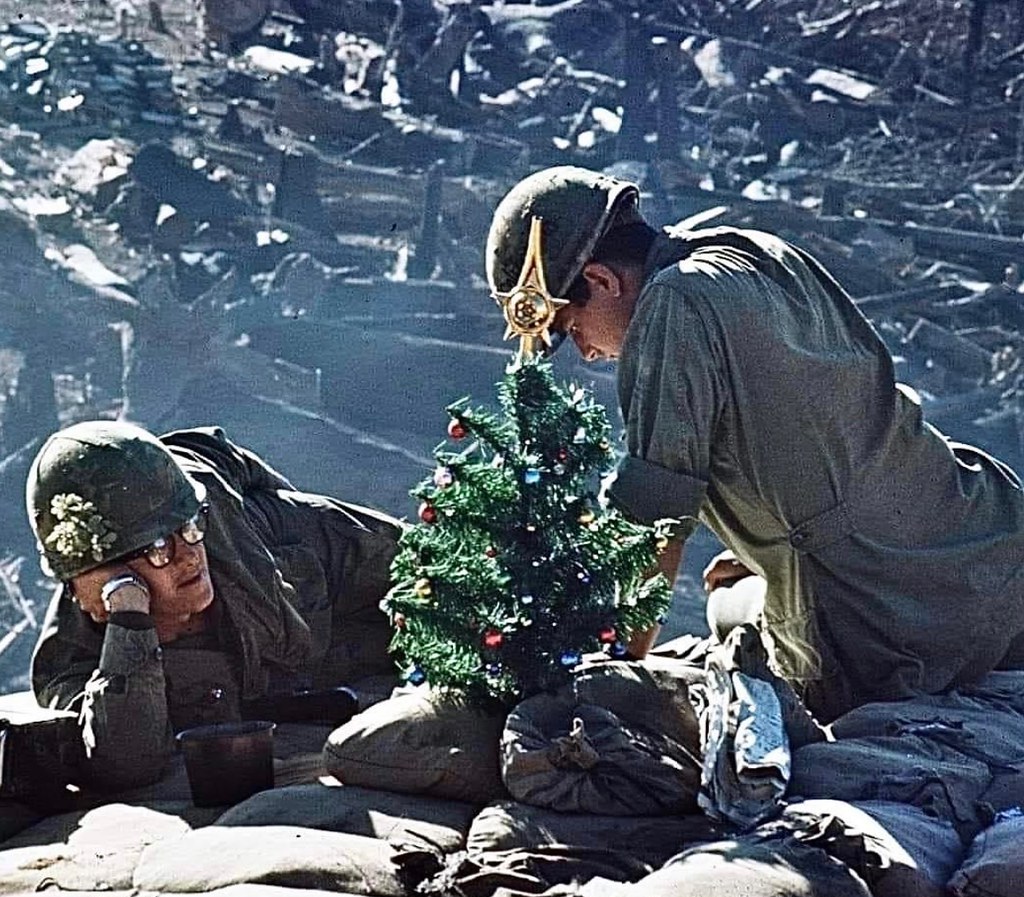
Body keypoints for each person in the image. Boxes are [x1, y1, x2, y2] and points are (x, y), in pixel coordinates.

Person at [485, 165, 1024, 723]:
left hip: (888, 631)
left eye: (573, 327)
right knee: (734, 581)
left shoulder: (670, 308)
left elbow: (653, 519)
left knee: (723, 611)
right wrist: (761, 547)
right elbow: (828, 417)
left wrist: (615, 668)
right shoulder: (753, 250)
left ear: (601, 280)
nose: (589, 352)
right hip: (985, 552)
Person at [26, 420, 402, 789]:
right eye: (158, 548)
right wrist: (129, 620)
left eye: (189, 525)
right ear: (96, 579)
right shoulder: (74, 662)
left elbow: (430, 562)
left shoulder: (261, 531)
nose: (190, 557)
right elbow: (126, 763)